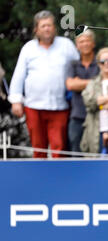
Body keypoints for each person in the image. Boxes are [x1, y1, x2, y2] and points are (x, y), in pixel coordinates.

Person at [7, 10, 79, 158]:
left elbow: (78, 68)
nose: (47, 28)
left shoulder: (66, 45)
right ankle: (40, 180)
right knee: (38, 149)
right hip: (34, 106)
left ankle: (59, 179)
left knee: (59, 149)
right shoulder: (28, 48)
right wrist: (16, 100)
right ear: (36, 30)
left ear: (55, 28)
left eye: (50, 25)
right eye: (43, 26)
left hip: (60, 106)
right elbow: (19, 76)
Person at [65, 29, 100, 153]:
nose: (84, 44)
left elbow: (103, 84)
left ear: (93, 44)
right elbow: (70, 85)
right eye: (81, 41)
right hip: (77, 115)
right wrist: (93, 82)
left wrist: (79, 82)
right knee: (75, 152)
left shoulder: (101, 63)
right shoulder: (72, 64)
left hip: (98, 115)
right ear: (77, 46)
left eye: (87, 41)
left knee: (97, 153)